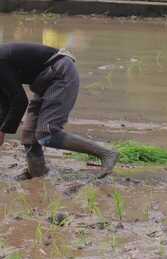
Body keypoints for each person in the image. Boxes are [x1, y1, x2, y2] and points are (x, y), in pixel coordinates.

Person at [0, 42, 118, 180]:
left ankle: (106, 154)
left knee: (47, 134)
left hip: (60, 73)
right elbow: (5, 102)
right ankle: (38, 176)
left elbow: (19, 101)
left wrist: (2, 131)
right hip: (43, 81)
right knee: (29, 137)